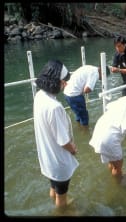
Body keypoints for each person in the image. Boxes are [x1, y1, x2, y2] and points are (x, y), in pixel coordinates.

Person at [33, 60, 79, 208]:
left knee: (54, 187)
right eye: (64, 81)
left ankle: (56, 201)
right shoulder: (54, 107)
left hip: (47, 157)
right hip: (59, 162)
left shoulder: (39, 96)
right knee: (62, 198)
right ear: (56, 81)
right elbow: (63, 140)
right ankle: (62, 210)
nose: (65, 84)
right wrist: (73, 149)